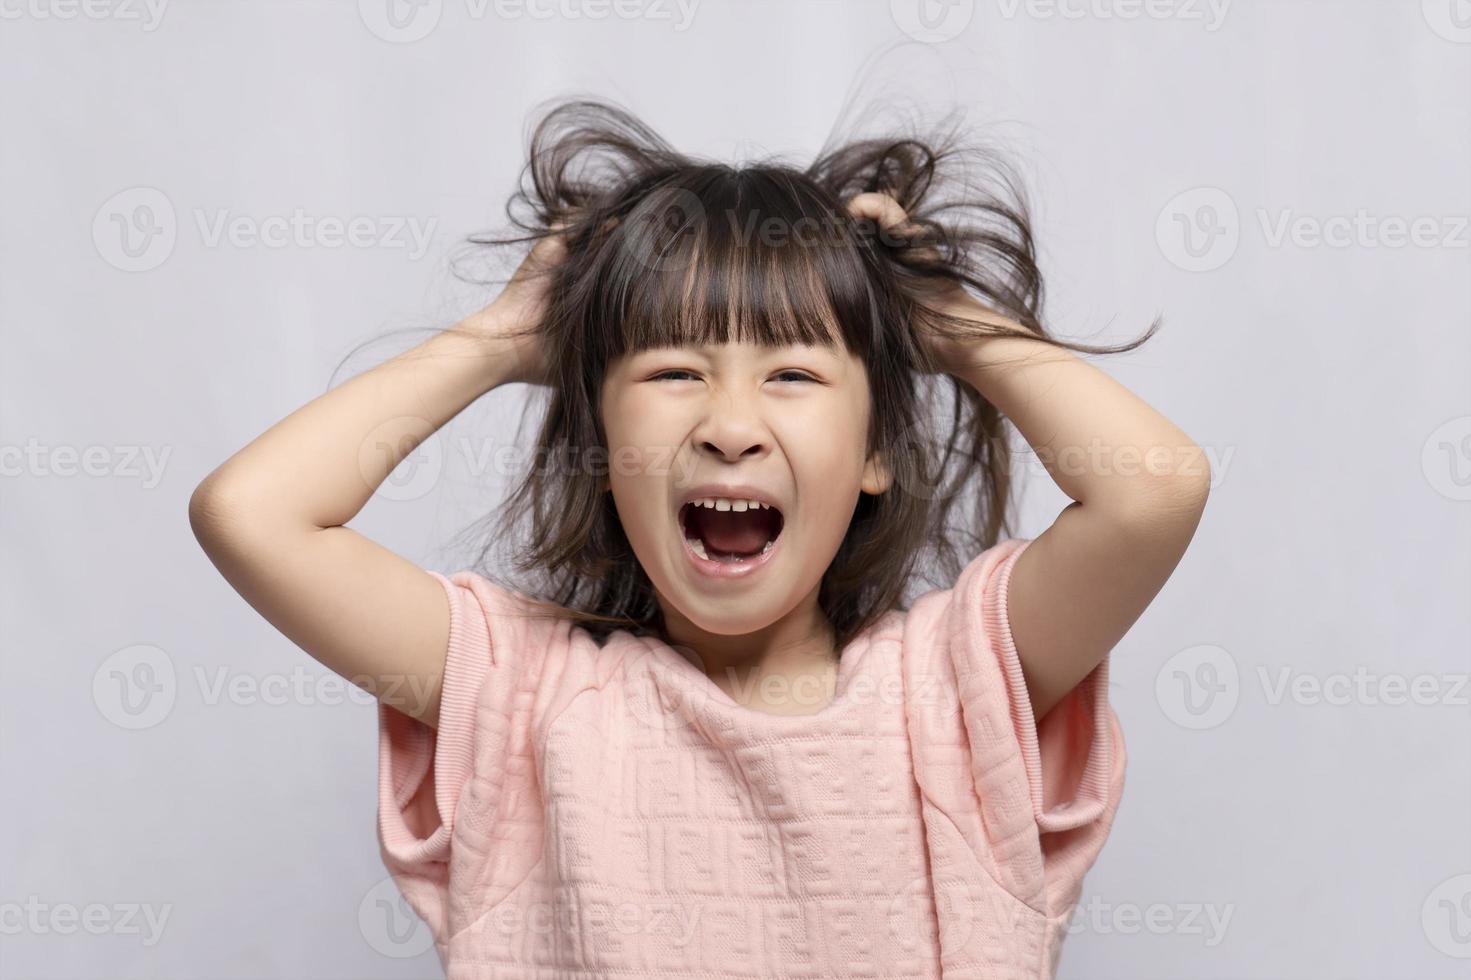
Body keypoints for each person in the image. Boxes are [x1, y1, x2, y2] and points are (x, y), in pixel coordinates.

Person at [189, 98, 1210, 978]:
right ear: (600, 439)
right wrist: (502, 339)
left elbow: (1154, 491)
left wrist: (944, 322)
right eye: (674, 370)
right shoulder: (518, 695)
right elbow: (254, 513)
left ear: (875, 451)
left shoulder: (953, 691)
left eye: (794, 375)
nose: (729, 422)